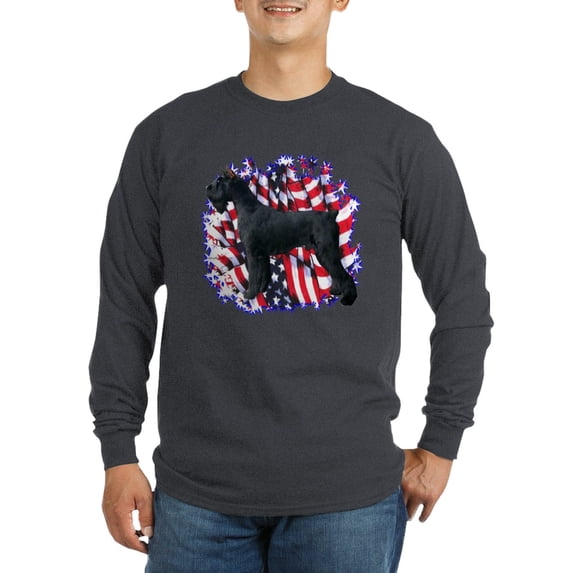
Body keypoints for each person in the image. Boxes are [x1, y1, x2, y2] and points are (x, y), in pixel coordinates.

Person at [88, 1, 493, 571]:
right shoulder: (164, 137)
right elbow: (124, 301)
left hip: (348, 498)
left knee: (322, 261)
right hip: (195, 495)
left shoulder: (402, 140)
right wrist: (117, 450)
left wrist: (442, 441)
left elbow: (463, 299)